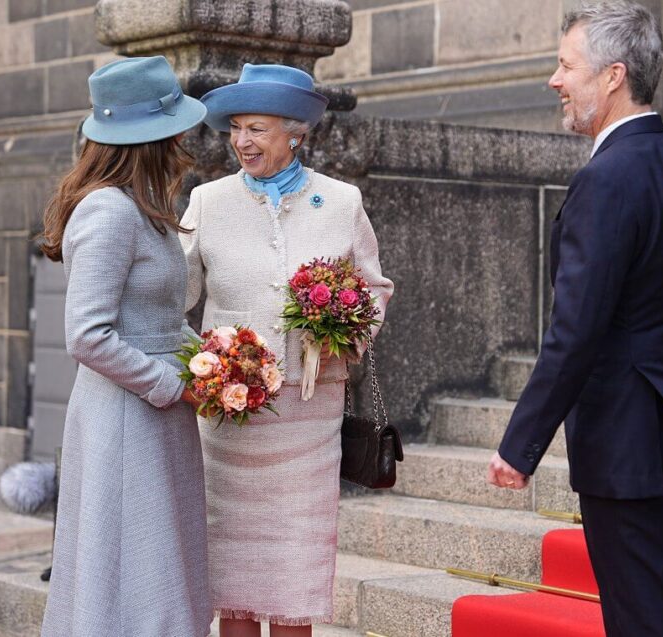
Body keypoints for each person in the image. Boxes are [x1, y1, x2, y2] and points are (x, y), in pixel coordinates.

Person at [485, 2, 663, 635]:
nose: (554, 80)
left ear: (612, 76)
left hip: (626, 435)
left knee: (642, 612)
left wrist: (520, 445)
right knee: (652, 592)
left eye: (564, 65)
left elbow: (576, 329)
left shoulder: (608, 179)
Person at [181, 63, 394, 636]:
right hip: (231, 422)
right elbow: (171, 299)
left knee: (297, 576)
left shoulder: (342, 200)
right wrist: (203, 362)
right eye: (235, 129)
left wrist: (340, 339)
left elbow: (373, 290)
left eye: (256, 129)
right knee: (235, 586)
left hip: (308, 420)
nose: (241, 142)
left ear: (295, 132)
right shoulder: (207, 201)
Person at [39, 56, 213, 636]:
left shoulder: (146, 208)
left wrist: (214, 362)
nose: (186, 137)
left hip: (158, 414)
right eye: (176, 129)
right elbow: (86, 335)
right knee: (131, 570)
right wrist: (173, 384)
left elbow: (163, 317)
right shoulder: (108, 212)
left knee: (160, 563)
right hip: (126, 416)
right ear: (152, 138)